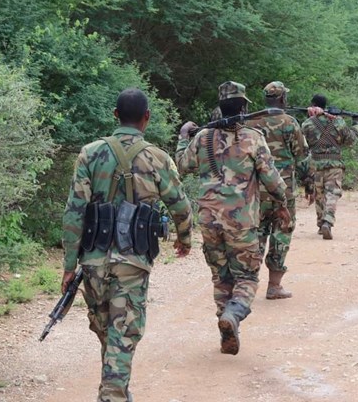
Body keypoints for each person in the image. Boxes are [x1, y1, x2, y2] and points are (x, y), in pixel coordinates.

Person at [61, 88, 193, 402]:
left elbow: (74, 211)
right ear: (147, 117)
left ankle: (114, 390)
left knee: (109, 330)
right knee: (122, 333)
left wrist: (69, 265)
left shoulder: (90, 153)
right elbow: (180, 205)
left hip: (93, 261)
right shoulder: (157, 157)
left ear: (115, 115)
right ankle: (113, 394)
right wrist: (185, 238)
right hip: (132, 263)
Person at [176, 81, 290, 355]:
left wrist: (183, 135)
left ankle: (225, 328)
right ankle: (234, 314)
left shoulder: (202, 138)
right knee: (247, 277)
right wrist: (282, 202)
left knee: (221, 277)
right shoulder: (253, 138)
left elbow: (181, 165)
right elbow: (273, 182)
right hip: (242, 222)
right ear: (243, 108)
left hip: (209, 220)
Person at [245, 81, 314, 299]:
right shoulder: (290, 122)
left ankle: (247, 286)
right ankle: (274, 286)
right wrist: (309, 183)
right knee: (282, 233)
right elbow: (302, 156)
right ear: (283, 98)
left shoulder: (251, 122)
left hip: (256, 191)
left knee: (256, 234)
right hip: (283, 191)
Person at [301, 94, 358, 239]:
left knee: (319, 194)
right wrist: (356, 124)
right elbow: (351, 140)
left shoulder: (307, 124)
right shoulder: (338, 121)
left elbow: (302, 147)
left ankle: (321, 224)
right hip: (334, 165)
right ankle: (328, 221)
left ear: (312, 105)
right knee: (332, 194)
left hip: (315, 165)